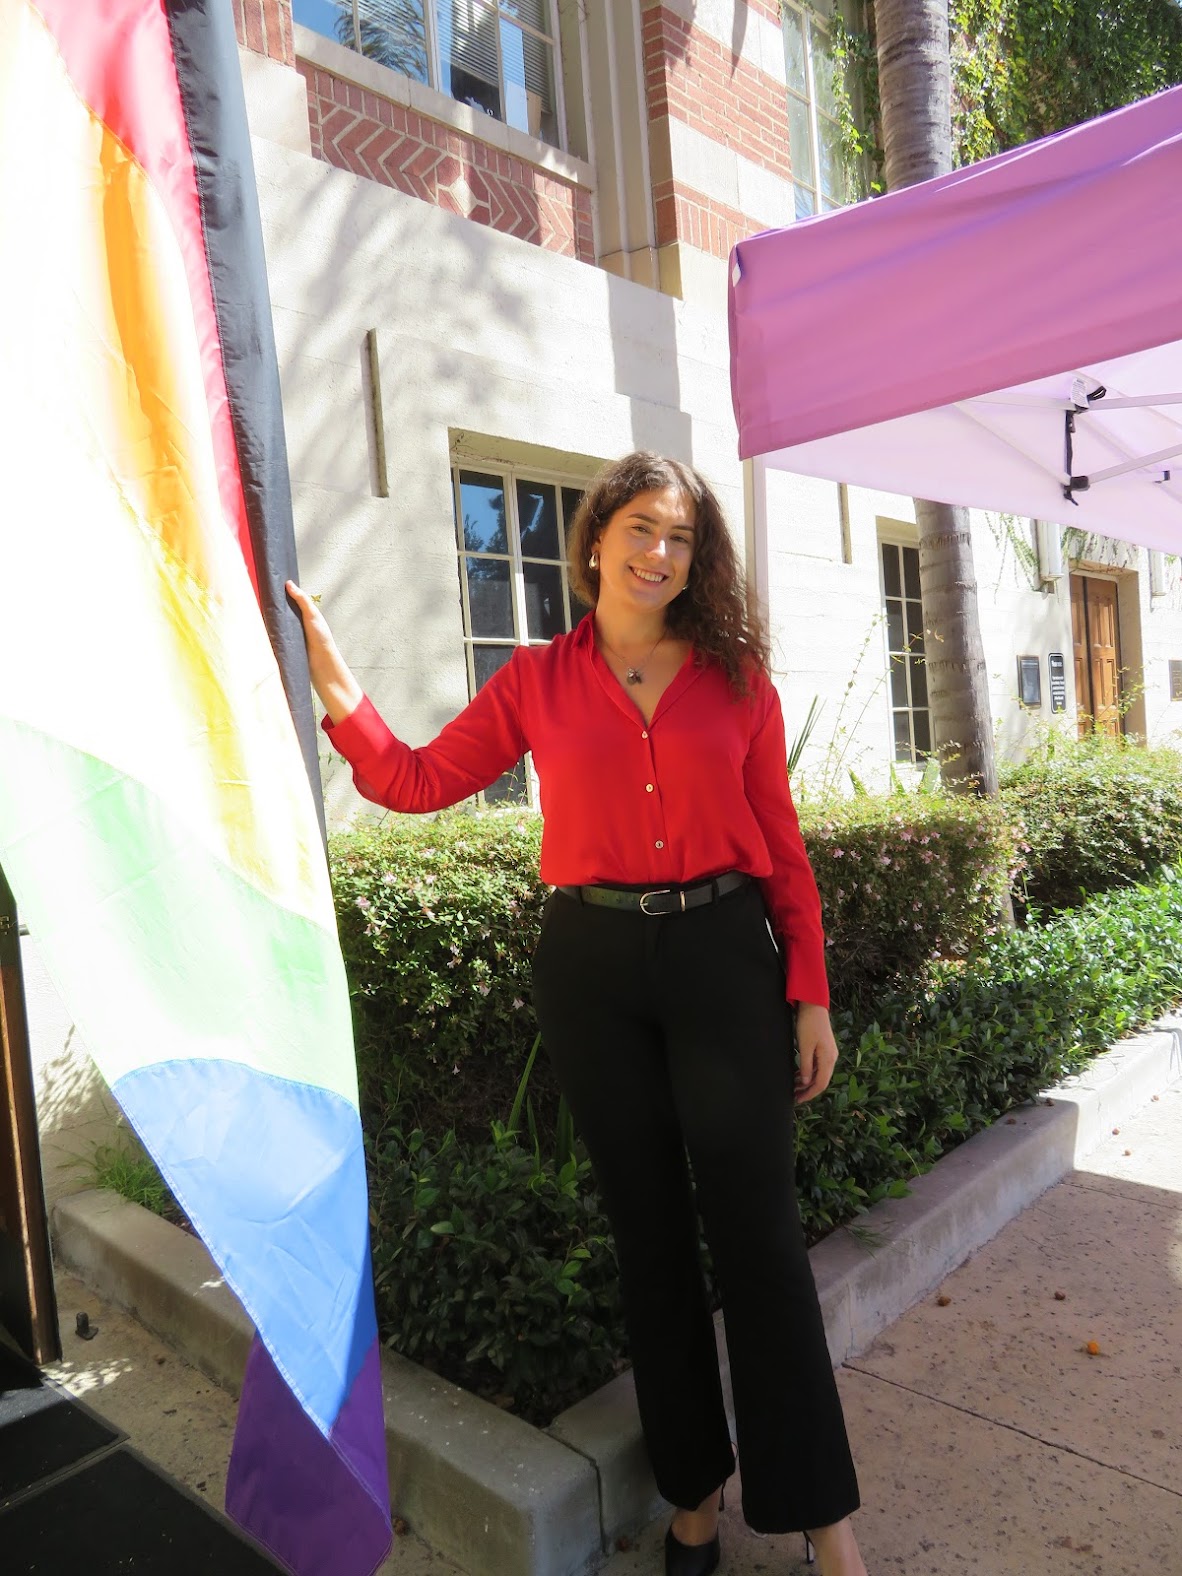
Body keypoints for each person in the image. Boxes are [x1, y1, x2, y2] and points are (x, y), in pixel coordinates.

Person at [287, 451, 868, 1576]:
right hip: (593, 966)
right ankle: (692, 1497)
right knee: (650, 1243)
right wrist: (336, 686)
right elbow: (414, 781)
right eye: (641, 529)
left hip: (721, 957)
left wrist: (810, 988)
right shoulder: (536, 681)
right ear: (596, 537)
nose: (660, 554)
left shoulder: (737, 678)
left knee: (758, 1240)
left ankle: (823, 1518)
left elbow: (783, 848)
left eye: (682, 538)